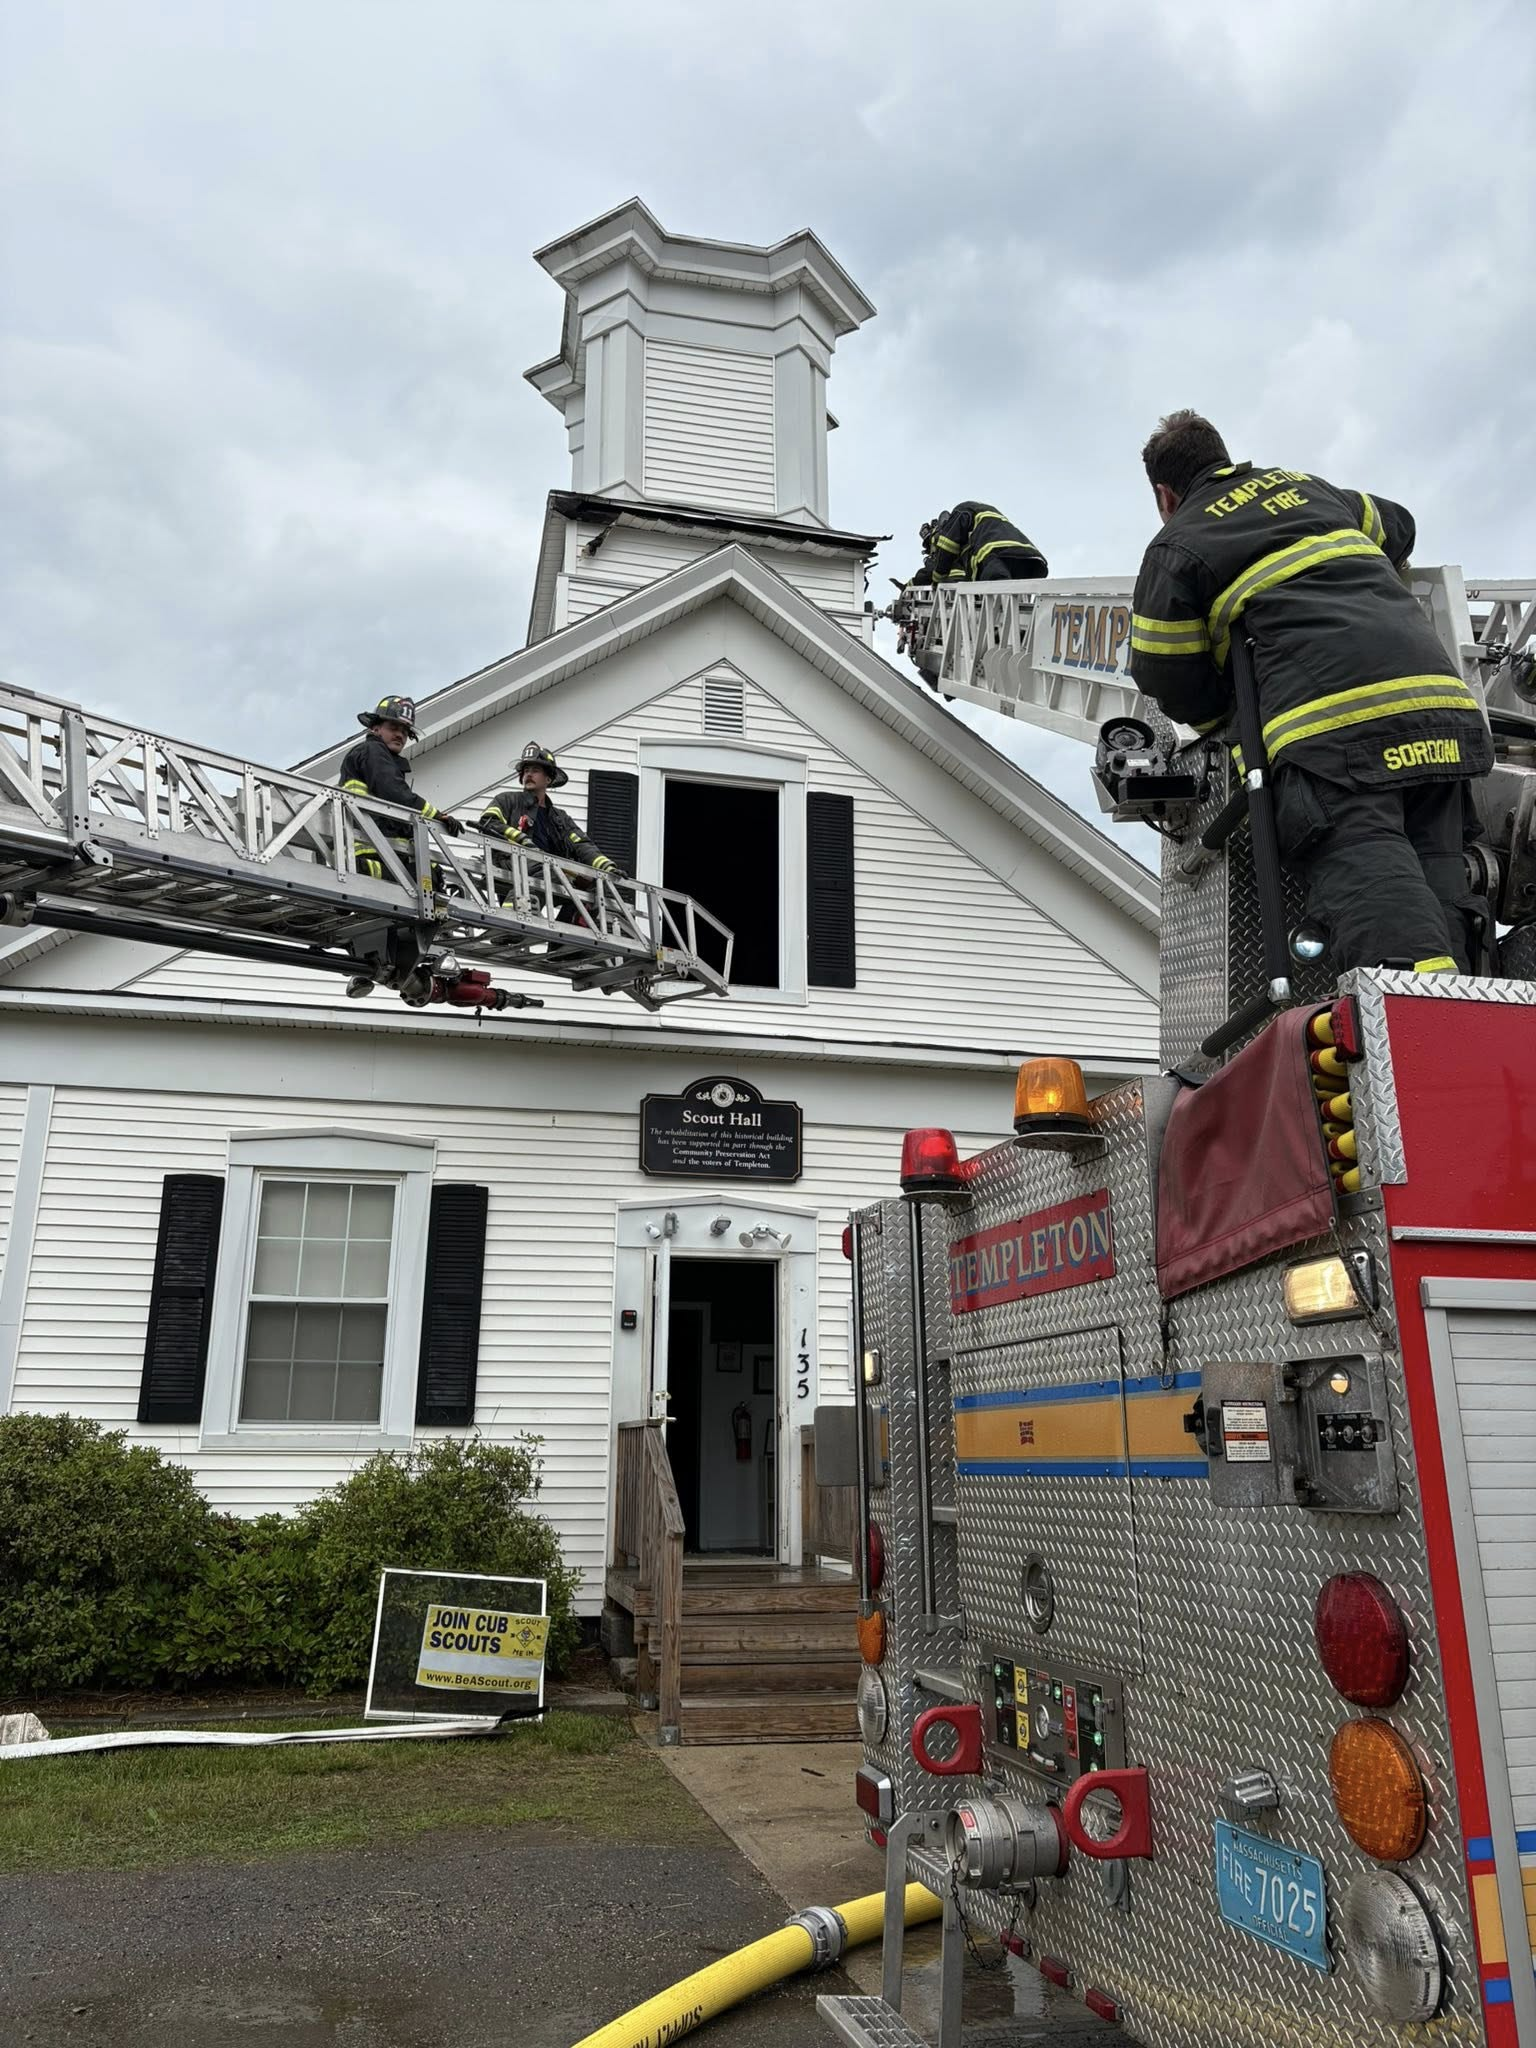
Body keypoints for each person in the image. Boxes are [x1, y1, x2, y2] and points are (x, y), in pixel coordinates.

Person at [1129, 411, 1492, 975]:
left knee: (1368, 864)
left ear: (1164, 495)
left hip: (1335, 733)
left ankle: (1416, 1030)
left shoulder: (1177, 544)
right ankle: (1468, 1013)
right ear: (1221, 456)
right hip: (1441, 709)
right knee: (1440, 870)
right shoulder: (1313, 491)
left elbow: (1164, 673)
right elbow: (1399, 523)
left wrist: (1227, 714)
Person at [338, 695, 462, 880]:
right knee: (426, 879)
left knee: (431, 877)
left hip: (384, 850)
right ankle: (363, 871)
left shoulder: (383, 759)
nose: (400, 735)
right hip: (372, 849)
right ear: (375, 728)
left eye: (404, 731)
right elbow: (393, 792)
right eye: (393, 727)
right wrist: (435, 815)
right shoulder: (372, 751)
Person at [478, 742, 624, 875]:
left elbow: (581, 844)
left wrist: (607, 867)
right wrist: (521, 838)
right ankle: (517, 904)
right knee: (551, 872)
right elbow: (488, 822)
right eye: (526, 770)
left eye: (535, 770)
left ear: (548, 779)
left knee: (598, 889)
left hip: (550, 873)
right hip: (511, 865)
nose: (528, 774)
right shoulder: (507, 800)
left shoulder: (559, 818)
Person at [908, 503, 1049, 587]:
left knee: (997, 596)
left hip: (995, 557)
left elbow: (947, 546)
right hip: (1029, 562)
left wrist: (936, 580)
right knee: (1014, 614)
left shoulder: (961, 511)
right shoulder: (982, 518)